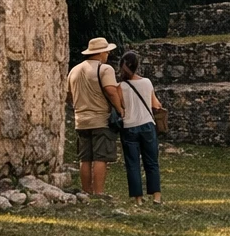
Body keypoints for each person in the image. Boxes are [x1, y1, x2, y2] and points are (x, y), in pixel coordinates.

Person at [68, 37, 125, 196]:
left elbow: (68, 94)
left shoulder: (74, 70)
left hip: (81, 120)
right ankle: (98, 192)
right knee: (101, 157)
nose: (107, 54)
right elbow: (111, 91)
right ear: (101, 53)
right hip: (100, 119)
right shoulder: (105, 69)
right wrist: (120, 110)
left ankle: (86, 191)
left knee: (85, 158)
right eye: (106, 51)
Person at [116, 49, 164, 206]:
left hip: (129, 126)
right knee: (151, 162)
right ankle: (156, 196)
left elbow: (121, 107)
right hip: (147, 125)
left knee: (132, 163)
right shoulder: (146, 82)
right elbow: (156, 104)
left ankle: (138, 198)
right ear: (137, 66)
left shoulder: (120, 86)